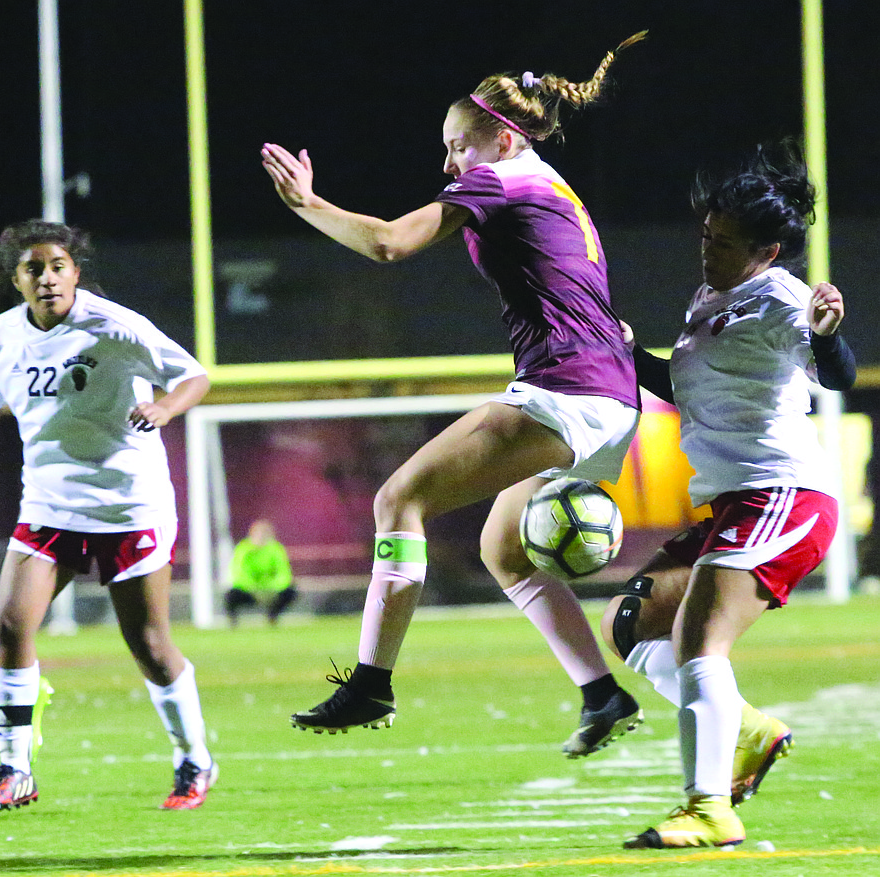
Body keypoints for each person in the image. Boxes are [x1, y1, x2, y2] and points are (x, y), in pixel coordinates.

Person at [263, 33, 648, 757]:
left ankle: (371, 681)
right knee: (505, 551)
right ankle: (604, 695)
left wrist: (308, 204)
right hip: (606, 396)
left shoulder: (500, 180)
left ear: (501, 138)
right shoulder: (553, 184)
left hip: (566, 391)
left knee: (397, 499)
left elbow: (386, 244)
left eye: (458, 147)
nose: (448, 164)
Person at [598, 142, 856, 849]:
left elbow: (836, 374)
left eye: (725, 243)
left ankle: (709, 808)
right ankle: (744, 726)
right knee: (632, 623)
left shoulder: (779, 298)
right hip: (733, 502)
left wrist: (830, 338)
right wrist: (629, 356)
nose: (707, 251)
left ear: (768, 250)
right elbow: (687, 390)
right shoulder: (712, 296)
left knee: (696, 638)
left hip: (783, 494)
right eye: (706, 237)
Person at [0, 219, 217, 815]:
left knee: (149, 644)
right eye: (33, 269)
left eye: (57, 266)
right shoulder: (1, 336)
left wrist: (165, 406)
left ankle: (194, 756)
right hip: (50, 504)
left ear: (74, 271)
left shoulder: (114, 325)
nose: (47, 278)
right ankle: (14, 767)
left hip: (128, 504)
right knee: (10, 624)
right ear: (15, 278)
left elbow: (193, 376)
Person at [224, 519, 298, 626]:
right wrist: (253, 589)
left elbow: (284, 573)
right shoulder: (243, 549)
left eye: (264, 534)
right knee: (231, 596)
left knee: (290, 592)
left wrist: (272, 589)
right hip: (250, 590)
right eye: (258, 534)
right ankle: (232, 623)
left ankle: (272, 617)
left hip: (270, 590)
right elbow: (238, 573)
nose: (261, 537)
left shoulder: (275, 549)